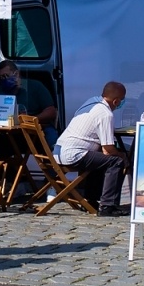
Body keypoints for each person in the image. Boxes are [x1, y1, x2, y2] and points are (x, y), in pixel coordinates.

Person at [53, 82, 128, 216]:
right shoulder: (105, 114)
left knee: (99, 158)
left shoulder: (91, 101)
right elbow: (108, 150)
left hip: (59, 152)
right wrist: (122, 155)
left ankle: (91, 200)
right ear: (116, 101)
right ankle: (108, 206)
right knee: (116, 161)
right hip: (73, 154)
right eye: (121, 100)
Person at [0, 61, 57, 130]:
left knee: (51, 135)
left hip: (36, 127)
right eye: (1, 78)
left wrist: (30, 120)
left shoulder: (35, 86)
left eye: (6, 76)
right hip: (7, 130)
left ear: (16, 74)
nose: (4, 80)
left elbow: (51, 112)